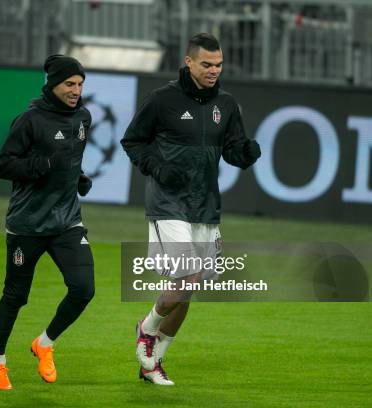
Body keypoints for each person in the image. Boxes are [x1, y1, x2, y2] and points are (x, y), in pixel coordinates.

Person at [121, 33, 261, 385]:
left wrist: (244, 154)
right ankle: (146, 329)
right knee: (187, 278)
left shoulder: (226, 105)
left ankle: (152, 362)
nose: (214, 70)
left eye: (219, 65)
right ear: (189, 62)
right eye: (207, 64)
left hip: (206, 206)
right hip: (168, 204)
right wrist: (157, 167)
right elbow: (133, 140)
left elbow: (231, 148)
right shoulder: (162, 100)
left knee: (189, 290)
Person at [0, 55, 95, 390]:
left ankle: (44, 343)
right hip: (27, 226)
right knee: (15, 296)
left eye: (79, 84)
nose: (76, 90)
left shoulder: (83, 118)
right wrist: (40, 165)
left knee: (83, 289)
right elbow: (3, 165)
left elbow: (70, 159)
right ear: (52, 85)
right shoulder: (29, 121)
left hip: (66, 223)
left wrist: (79, 179)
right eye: (69, 84)